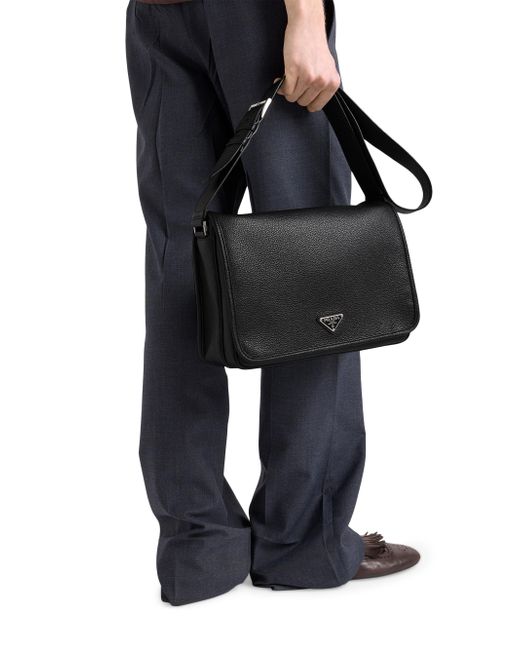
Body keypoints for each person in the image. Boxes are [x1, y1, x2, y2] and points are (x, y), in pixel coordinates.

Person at [126, 0, 420, 607]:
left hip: (160, 14)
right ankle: (303, 541)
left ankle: (197, 550)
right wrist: (305, 17)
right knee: (313, 269)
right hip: (259, 15)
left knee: (181, 262)